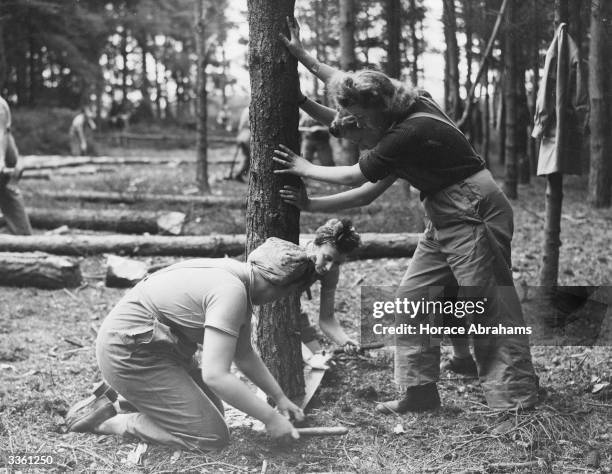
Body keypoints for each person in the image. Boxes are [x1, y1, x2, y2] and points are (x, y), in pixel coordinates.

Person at [275, 18, 539, 413]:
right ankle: (420, 393)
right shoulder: (398, 104)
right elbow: (344, 83)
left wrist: (304, 167)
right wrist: (303, 57)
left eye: (362, 122)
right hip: (445, 214)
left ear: (380, 110)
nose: (359, 129)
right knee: (412, 299)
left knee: (488, 306)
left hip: (474, 210)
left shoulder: (407, 134)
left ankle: (516, 402)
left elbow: (356, 177)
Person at [65, 219, 361, 450]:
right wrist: (270, 419)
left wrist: (280, 398)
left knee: (214, 413)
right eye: (282, 294)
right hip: (130, 352)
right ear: (277, 284)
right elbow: (216, 375)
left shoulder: (238, 278)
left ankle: (123, 401)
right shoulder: (232, 293)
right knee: (209, 436)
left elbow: (244, 356)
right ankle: (113, 422)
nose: (276, 301)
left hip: (153, 348)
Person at [0, 97, 32, 235]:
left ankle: (20, 234)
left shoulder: (1, 107)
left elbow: (2, 135)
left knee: (23, 236)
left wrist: (15, 166)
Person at [232, 105, 250, 182]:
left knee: (246, 157)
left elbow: (241, 125)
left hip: (243, 135)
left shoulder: (245, 110)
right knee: (248, 157)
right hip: (247, 136)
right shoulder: (249, 110)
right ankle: (238, 174)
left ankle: (239, 174)